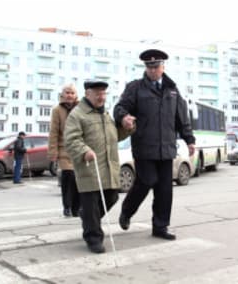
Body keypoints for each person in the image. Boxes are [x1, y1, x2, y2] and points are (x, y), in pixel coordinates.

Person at [114, 49, 195, 241]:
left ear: (163, 66)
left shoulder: (172, 90)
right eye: (149, 67)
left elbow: (182, 118)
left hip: (166, 148)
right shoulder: (135, 88)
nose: (152, 70)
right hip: (144, 146)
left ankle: (160, 227)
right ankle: (127, 211)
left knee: (164, 189)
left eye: (156, 66)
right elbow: (120, 107)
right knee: (147, 180)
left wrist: (189, 140)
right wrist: (124, 117)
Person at [64, 80, 131, 254]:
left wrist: (127, 128)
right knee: (92, 204)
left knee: (112, 197)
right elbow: (71, 139)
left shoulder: (105, 114)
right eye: (97, 94)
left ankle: (87, 218)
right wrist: (84, 150)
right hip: (89, 167)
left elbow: (114, 136)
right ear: (87, 94)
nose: (101, 97)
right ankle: (93, 238)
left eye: (103, 94)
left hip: (108, 166)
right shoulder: (77, 114)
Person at [48, 83, 80, 217]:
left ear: (76, 95)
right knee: (68, 177)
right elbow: (54, 132)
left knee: (78, 180)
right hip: (64, 149)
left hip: (78, 149)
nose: (69, 95)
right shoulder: (57, 110)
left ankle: (76, 208)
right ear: (62, 95)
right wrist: (53, 152)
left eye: (72, 93)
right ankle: (67, 206)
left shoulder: (81, 108)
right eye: (67, 92)